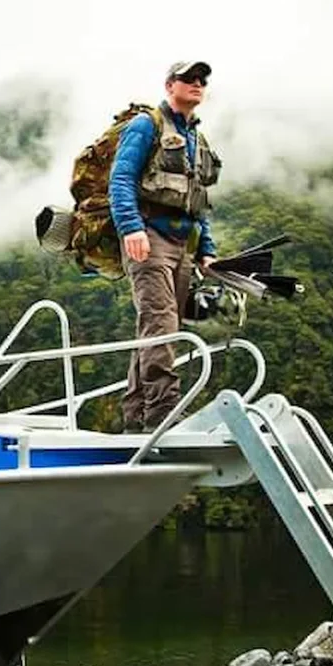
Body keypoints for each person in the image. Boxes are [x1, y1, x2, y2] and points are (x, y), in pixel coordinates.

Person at [109, 60, 221, 432]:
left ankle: (136, 415)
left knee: (155, 328)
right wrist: (130, 228)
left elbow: (197, 199)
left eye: (202, 79)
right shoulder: (146, 125)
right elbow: (121, 179)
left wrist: (206, 248)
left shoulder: (195, 138)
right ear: (170, 84)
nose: (197, 84)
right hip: (149, 237)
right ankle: (164, 412)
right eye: (189, 78)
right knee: (161, 324)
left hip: (183, 244)